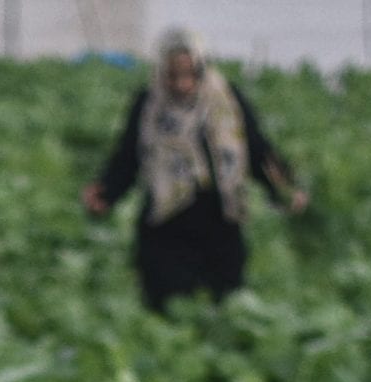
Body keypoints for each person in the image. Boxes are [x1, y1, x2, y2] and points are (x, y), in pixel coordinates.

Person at [81, 28, 309, 311]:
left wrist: (284, 189)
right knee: (167, 308)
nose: (182, 84)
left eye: (190, 75)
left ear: (202, 68)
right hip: (165, 225)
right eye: (173, 76)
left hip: (219, 222)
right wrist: (106, 194)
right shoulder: (149, 105)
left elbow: (256, 149)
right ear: (162, 71)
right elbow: (128, 157)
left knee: (224, 307)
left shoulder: (226, 100)